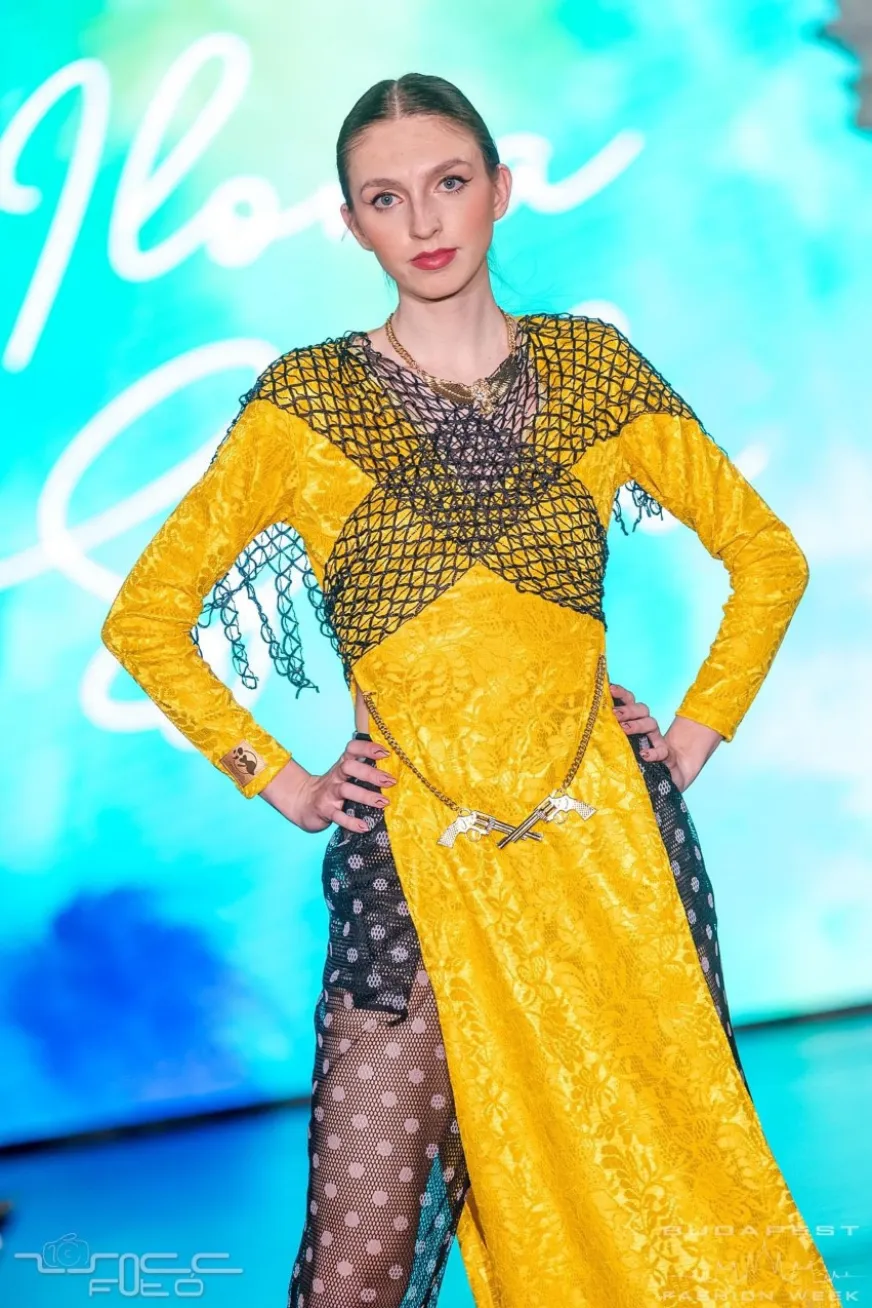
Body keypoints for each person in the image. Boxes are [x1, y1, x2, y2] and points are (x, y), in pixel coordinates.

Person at [101, 73, 838, 1308]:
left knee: (660, 1212)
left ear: (500, 190)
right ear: (351, 224)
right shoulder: (305, 408)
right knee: (357, 1259)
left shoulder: (591, 372)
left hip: (608, 859)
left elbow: (768, 558)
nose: (424, 219)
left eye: (447, 183)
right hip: (410, 868)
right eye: (385, 198)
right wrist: (280, 779)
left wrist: (689, 737)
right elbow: (145, 617)